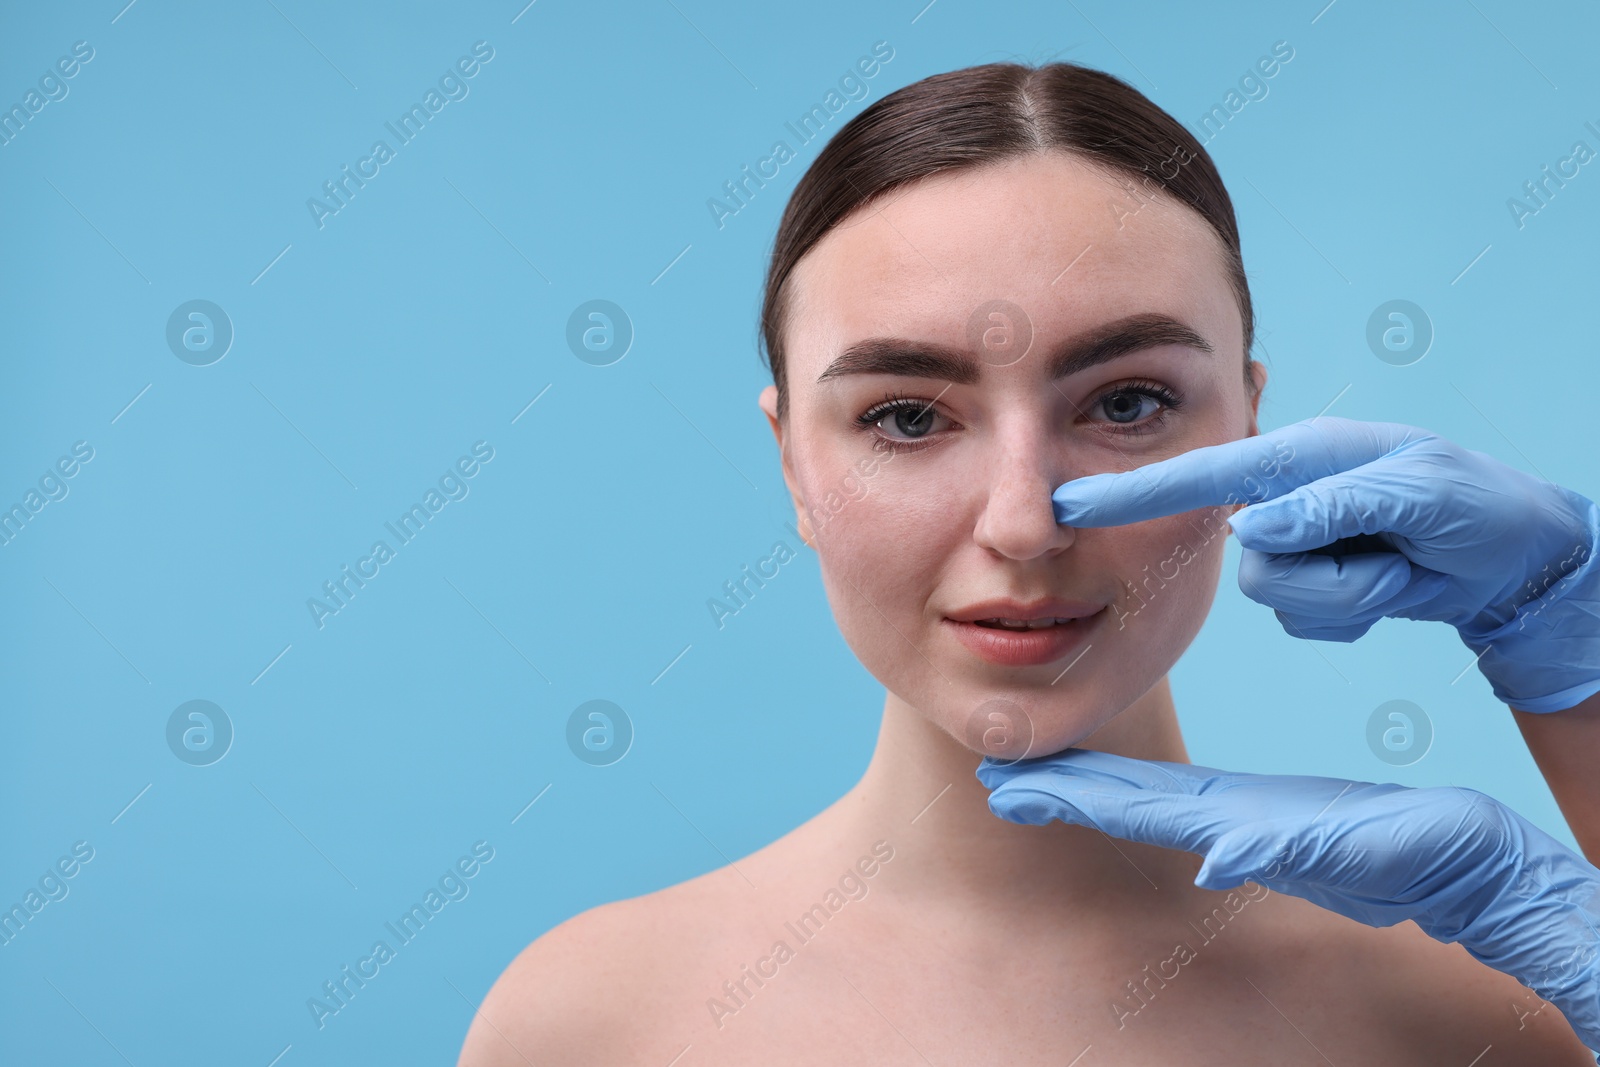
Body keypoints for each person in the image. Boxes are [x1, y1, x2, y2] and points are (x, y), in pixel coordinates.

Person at [456, 61, 1599, 1063]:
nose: (1022, 521)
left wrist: (1576, 667)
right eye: (905, 417)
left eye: (1129, 400)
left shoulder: (1495, 1004)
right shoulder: (587, 1024)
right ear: (793, 465)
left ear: (1250, 434)